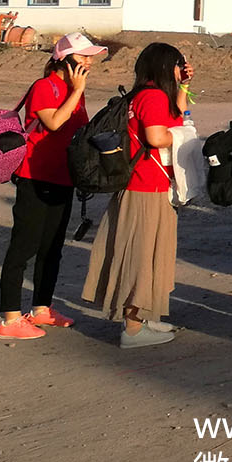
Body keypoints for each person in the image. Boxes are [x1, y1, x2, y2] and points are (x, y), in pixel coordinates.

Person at [0, 33, 108, 338]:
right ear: (65, 59)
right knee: (24, 246)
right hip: (35, 176)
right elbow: (54, 122)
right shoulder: (43, 86)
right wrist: (77, 91)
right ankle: (9, 318)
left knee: (52, 248)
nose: (89, 61)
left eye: (90, 56)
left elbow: (80, 131)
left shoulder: (75, 90)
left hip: (63, 177)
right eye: (83, 56)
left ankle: (41, 309)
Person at [83, 42, 186, 347]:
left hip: (141, 183)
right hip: (146, 185)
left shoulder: (142, 95)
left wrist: (184, 86)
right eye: (178, 65)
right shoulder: (153, 97)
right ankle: (132, 327)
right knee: (142, 255)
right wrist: (183, 137)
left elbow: (177, 112)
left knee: (147, 253)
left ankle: (140, 318)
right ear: (166, 67)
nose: (181, 70)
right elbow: (156, 137)